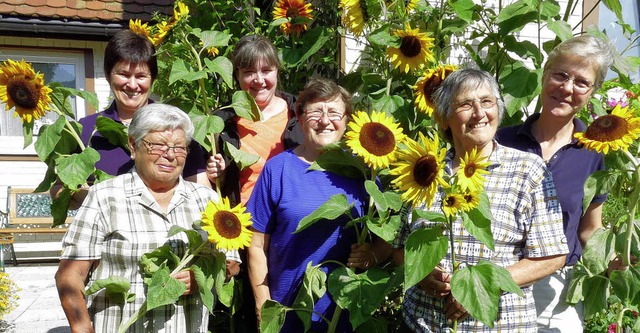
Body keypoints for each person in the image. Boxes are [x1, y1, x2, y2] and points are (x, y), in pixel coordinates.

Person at [392, 68, 569, 332]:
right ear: (444, 119)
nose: (479, 113)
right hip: (421, 323)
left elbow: (552, 256)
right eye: (465, 104)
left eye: (487, 102)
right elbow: (399, 248)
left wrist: (477, 288)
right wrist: (422, 274)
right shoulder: (425, 170)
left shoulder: (527, 170)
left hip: (498, 325)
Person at [55, 103, 241, 333]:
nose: (170, 155)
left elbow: (231, 264)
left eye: (179, 147)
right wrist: (82, 327)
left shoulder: (206, 200)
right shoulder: (105, 197)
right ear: (134, 145)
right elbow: (71, 273)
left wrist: (202, 276)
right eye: (158, 145)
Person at [496, 34, 614, 331]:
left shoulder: (594, 153)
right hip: (498, 276)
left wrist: (614, 258)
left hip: (556, 292)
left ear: (592, 92)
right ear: (545, 74)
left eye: (581, 82)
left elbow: (589, 229)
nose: (566, 87)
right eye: (559, 74)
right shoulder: (501, 141)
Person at [246, 78, 365, 332]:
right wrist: (262, 304)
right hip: (286, 313)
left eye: (334, 112)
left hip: (345, 316)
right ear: (299, 119)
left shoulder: (362, 172)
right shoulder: (278, 169)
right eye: (315, 112)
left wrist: (375, 253)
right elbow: (256, 245)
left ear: (346, 120)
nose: (325, 121)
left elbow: (391, 235)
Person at [52, 29, 211, 209]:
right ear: (107, 74)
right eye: (124, 74)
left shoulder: (176, 128)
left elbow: (201, 193)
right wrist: (89, 197)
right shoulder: (86, 130)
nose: (133, 85)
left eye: (141, 76)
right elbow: (58, 191)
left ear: (153, 79)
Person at [205, 34, 303, 205]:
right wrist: (217, 176)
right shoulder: (221, 121)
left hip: (291, 221)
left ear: (277, 71)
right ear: (237, 75)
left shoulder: (301, 113)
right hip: (243, 222)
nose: (259, 80)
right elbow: (212, 185)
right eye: (249, 72)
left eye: (266, 71)